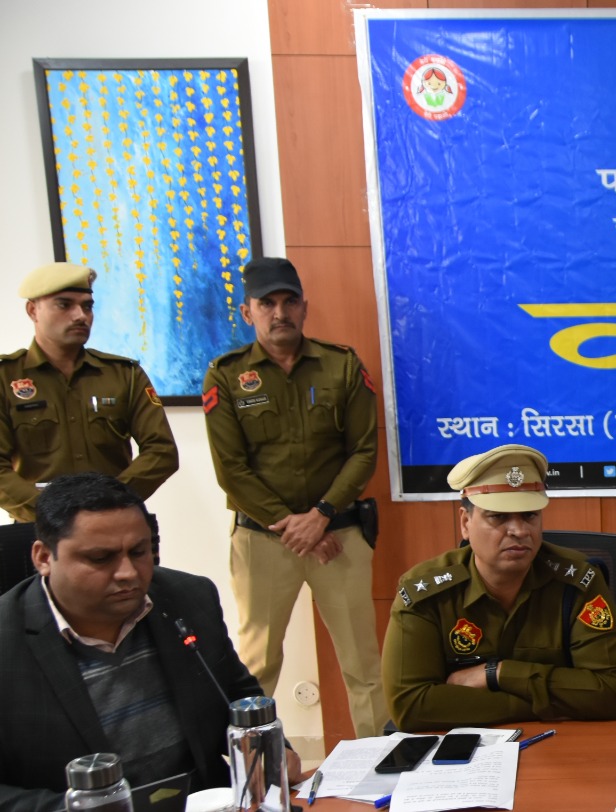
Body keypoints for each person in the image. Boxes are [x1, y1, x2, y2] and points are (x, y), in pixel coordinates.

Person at [0, 473, 303, 812]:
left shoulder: (188, 597)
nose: (128, 572)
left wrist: (272, 752)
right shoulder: (7, 641)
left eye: (139, 552)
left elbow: (234, 692)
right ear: (43, 557)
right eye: (100, 558)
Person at [202, 256, 386, 737]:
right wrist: (295, 526)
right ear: (248, 312)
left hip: (339, 536)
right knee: (256, 664)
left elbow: (364, 452)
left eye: (289, 302)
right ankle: (248, 764)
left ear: (305, 307)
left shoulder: (342, 366)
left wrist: (320, 516)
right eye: (267, 303)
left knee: (363, 663)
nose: (279, 313)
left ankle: (381, 763)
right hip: (263, 542)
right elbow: (231, 470)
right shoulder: (226, 376)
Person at [381, 444, 616, 730]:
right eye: (498, 517)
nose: (520, 530)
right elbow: (410, 704)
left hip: (561, 745)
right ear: (465, 523)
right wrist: (537, 705)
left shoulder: (577, 580)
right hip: (464, 748)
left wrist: (497, 673)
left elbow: (612, 691)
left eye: (530, 515)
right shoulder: (426, 591)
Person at [1, 262, 178, 523]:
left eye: (87, 306)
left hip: (115, 523)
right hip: (38, 527)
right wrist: (50, 511)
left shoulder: (124, 374)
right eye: (64, 305)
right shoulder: (6, 377)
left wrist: (110, 501)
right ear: (32, 310)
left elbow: (162, 452)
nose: (80, 316)